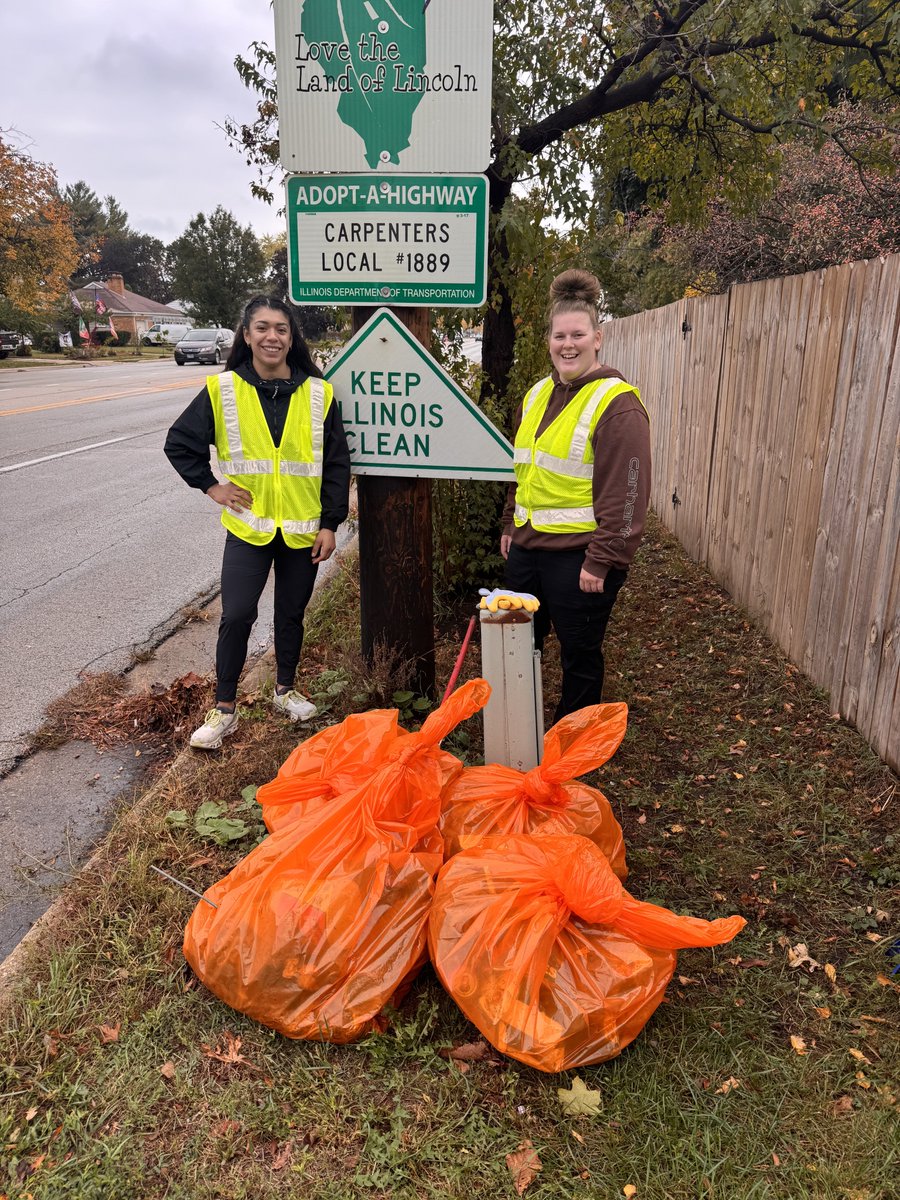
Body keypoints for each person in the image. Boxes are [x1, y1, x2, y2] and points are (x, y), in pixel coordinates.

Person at [165, 295, 351, 750]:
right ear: (246, 335)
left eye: (282, 329)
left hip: (303, 530)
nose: (273, 337)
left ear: (292, 338)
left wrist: (330, 523)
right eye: (263, 328)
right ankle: (223, 707)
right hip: (249, 527)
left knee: (290, 613)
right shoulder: (223, 390)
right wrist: (213, 487)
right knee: (237, 614)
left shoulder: (318, 392)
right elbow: (179, 444)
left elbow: (335, 464)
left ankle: (284, 689)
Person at [501, 269, 651, 724]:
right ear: (548, 339)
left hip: (579, 557)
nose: (568, 344)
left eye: (578, 335)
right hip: (528, 548)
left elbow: (628, 493)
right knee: (516, 641)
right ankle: (523, 731)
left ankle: (575, 743)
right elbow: (521, 467)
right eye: (559, 335)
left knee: (578, 654)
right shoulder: (537, 394)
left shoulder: (616, 403)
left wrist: (602, 559)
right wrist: (511, 522)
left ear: (598, 338)